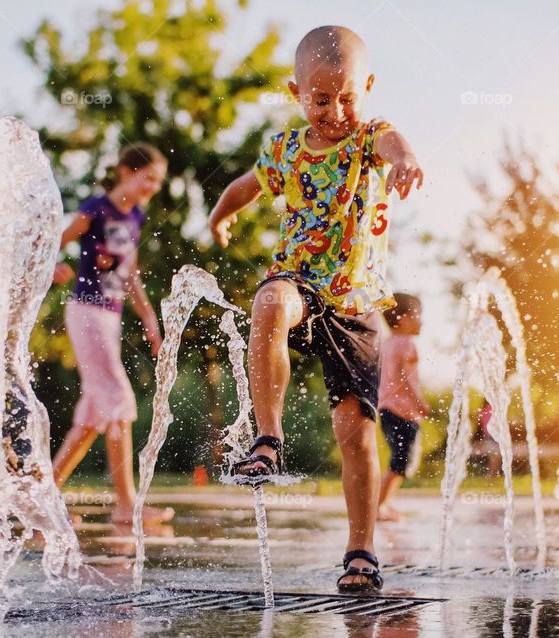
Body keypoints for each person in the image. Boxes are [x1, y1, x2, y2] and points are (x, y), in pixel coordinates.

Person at [207, 25, 424, 592]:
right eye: (321, 98)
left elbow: (392, 143)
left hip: (353, 303)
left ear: (368, 87)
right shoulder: (284, 150)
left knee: (354, 430)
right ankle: (268, 439)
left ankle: (361, 550)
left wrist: (405, 159)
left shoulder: (368, 136)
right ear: (296, 91)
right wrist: (218, 216)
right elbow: (246, 187)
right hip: (299, 281)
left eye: (347, 96)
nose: (334, 110)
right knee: (269, 302)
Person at [50, 143, 174, 525]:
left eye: (158, 181)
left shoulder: (135, 216)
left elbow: (130, 274)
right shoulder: (96, 209)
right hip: (86, 311)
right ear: (126, 171)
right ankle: (126, 505)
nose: (153, 186)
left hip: (111, 315)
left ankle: (45, 497)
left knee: (91, 417)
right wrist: (53, 264)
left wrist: (150, 318)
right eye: (148, 178)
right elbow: (57, 240)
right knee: (118, 399)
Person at [377, 293, 430, 522]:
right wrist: (419, 402)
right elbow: (404, 377)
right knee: (401, 461)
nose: (422, 322)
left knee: (400, 460)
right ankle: (378, 506)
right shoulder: (407, 344)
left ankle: (383, 504)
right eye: (419, 316)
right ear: (404, 319)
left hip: (386, 408)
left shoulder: (387, 343)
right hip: (402, 410)